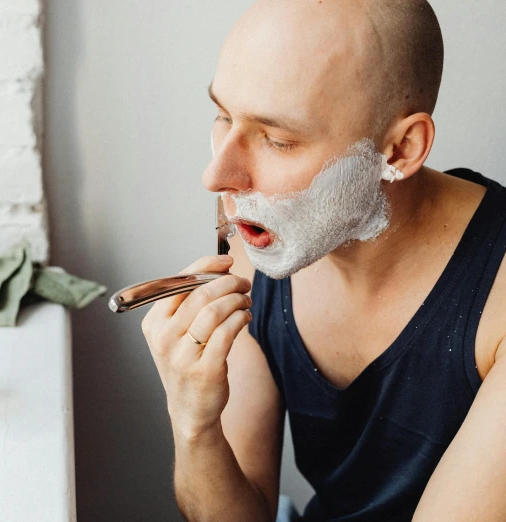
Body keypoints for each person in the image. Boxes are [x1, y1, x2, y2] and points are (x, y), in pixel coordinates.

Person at [139, 1, 506, 521]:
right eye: (223, 115)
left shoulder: (498, 299)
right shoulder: (259, 251)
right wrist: (194, 424)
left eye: (278, 139)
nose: (217, 176)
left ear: (400, 150)